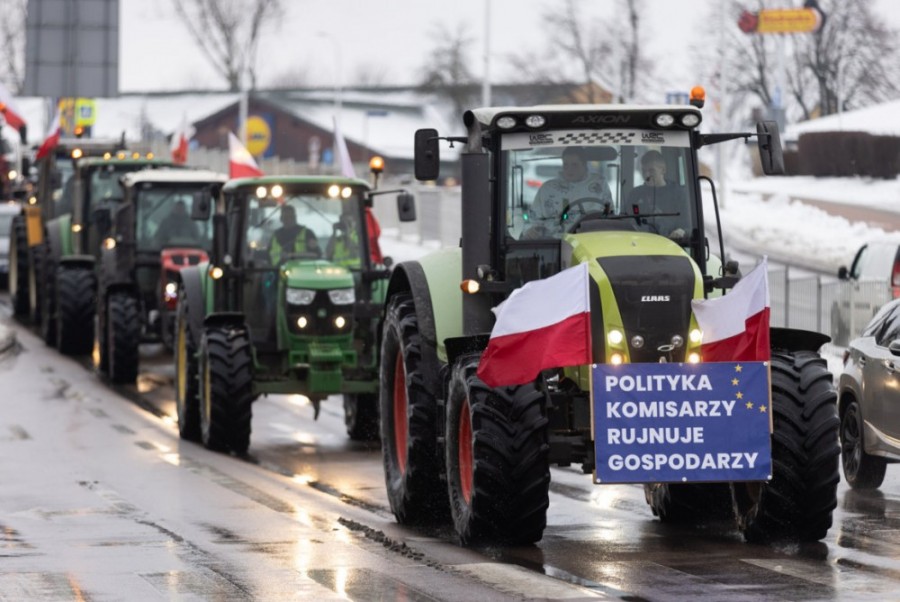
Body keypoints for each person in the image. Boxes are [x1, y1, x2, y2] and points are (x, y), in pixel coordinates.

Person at [526, 146, 613, 238]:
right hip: (555, 242)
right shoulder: (547, 189)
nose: (569, 169)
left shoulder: (598, 184)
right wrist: (533, 230)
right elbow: (534, 220)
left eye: (574, 165)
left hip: (591, 238)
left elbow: (609, 212)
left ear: (584, 165)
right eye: (566, 164)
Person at [626, 150, 689, 239]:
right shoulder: (635, 194)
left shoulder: (679, 193)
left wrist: (681, 232)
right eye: (644, 171)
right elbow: (627, 221)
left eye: (651, 170)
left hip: (671, 245)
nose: (646, 175)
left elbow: (688, 225)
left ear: (663, 170)